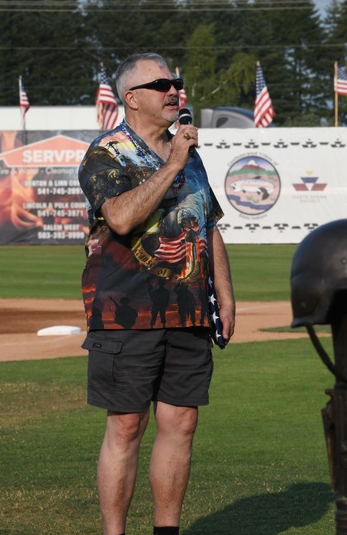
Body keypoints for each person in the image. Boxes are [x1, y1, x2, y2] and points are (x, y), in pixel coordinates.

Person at [78, 52, 236, 535]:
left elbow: (207, 226)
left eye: (176, 83)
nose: (174, 91)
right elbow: (122, 217)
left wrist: (226, 296)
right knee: (126, 427)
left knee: (181, 424)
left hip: (188, 310)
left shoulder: (191, 157)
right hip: (126, 312)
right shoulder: (106, 153)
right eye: (161, 84)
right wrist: (173, 163)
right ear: (131, 98)